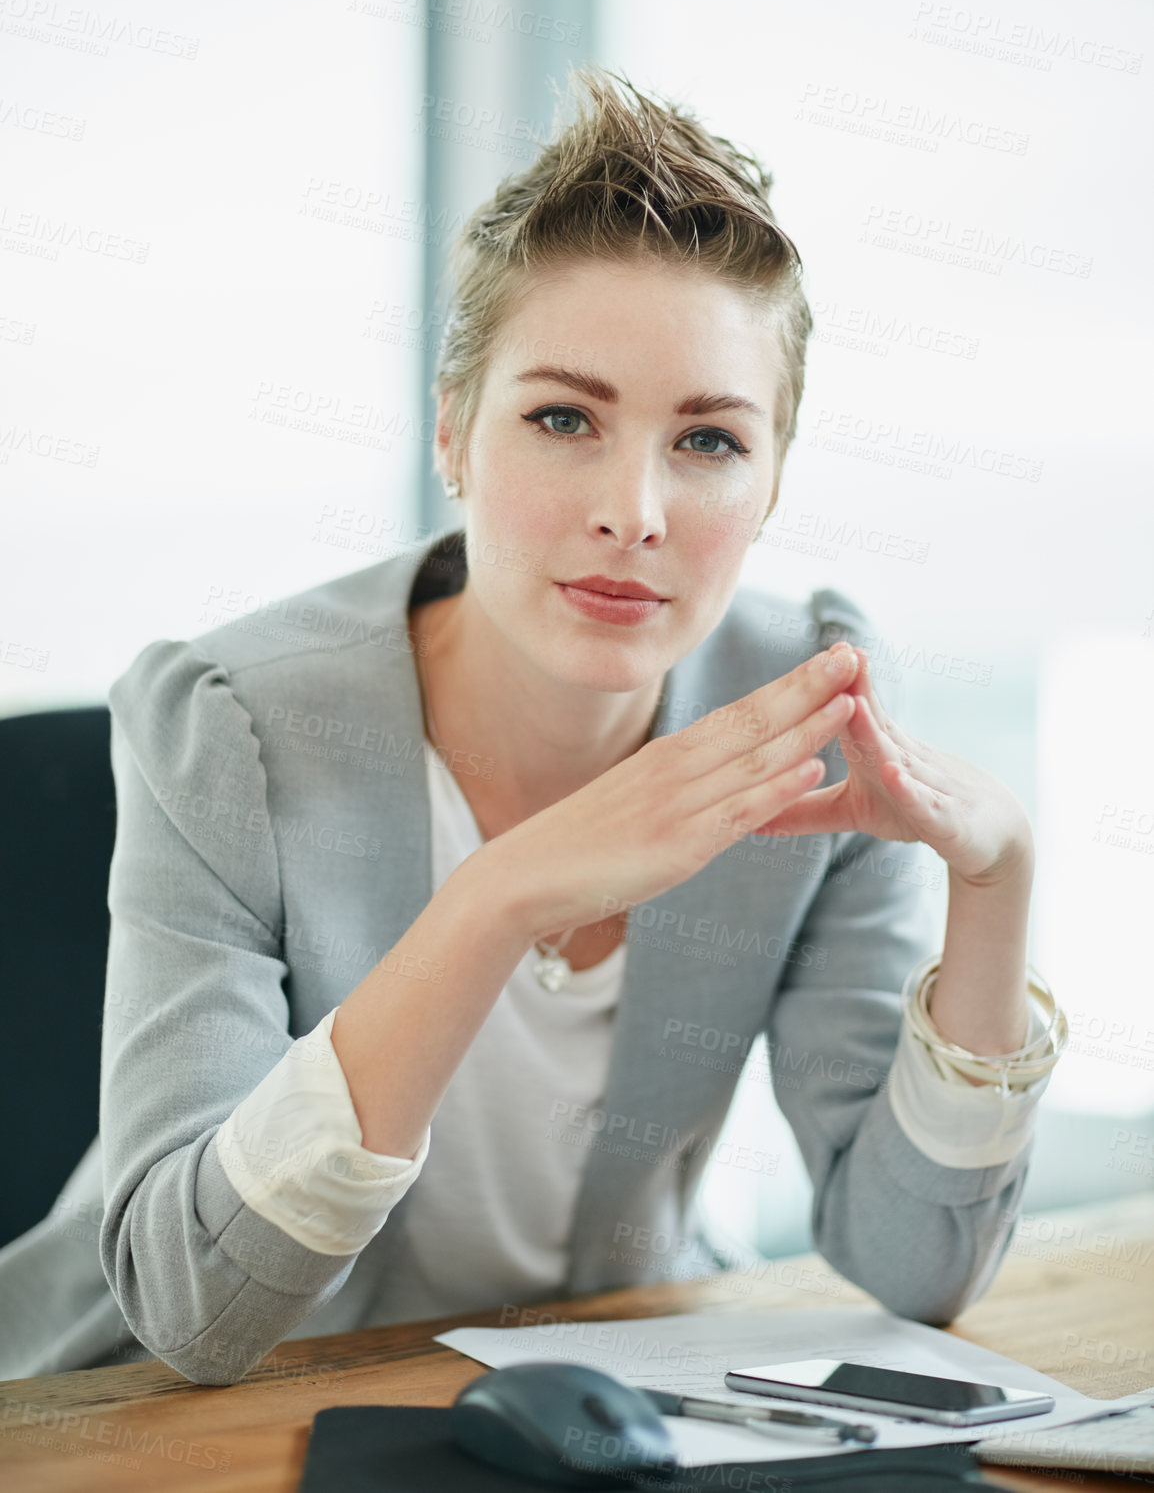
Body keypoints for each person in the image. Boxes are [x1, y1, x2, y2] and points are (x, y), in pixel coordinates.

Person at [0, 68, 1064, 1386]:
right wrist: (497, 896)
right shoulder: (230, 723)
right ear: (453, 431)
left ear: (774, 475)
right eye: (563, 418)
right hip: (171, 1414)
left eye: (709, 441)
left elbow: (915, 1269)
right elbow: (193, 1311)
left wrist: (995, 881)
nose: (634, 509)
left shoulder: (805, 710)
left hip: (599, 1399)